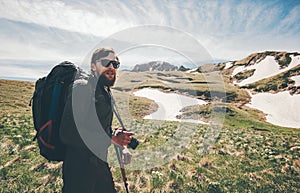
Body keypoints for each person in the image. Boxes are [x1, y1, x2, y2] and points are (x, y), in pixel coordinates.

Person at [59, 48, 134, 193]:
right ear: (93, 66)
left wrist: (119, 140)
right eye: (106, 62)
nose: (111, 67)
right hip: (78, 169)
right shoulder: (82, 87)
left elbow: (100, 127)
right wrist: (112, 139)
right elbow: (67, 132)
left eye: (115, 64)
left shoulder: (104, 91)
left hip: (100, 164)